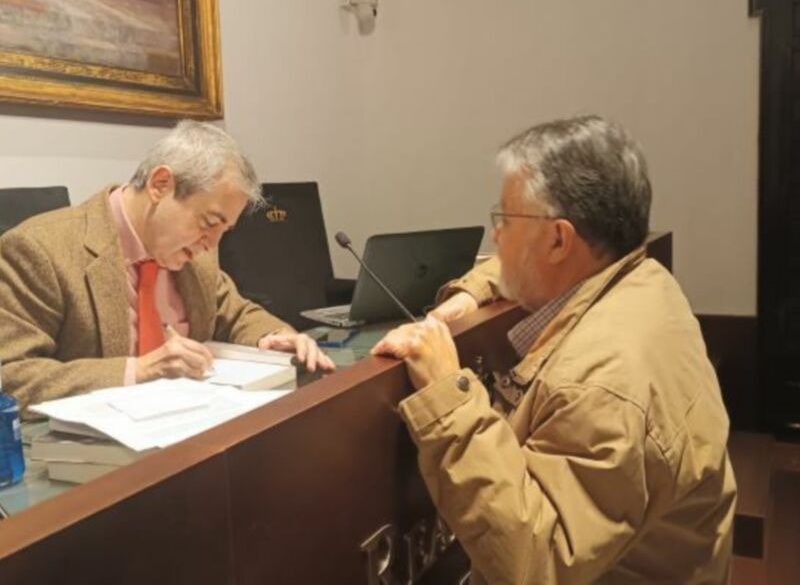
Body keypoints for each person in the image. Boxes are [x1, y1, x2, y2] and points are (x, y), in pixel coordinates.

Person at [373, 116, 736, 583]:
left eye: (504, 219)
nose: (496, 236)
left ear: (559, 238)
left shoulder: (597, 384)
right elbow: (506, 266)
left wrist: (448, 396)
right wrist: (471, 292)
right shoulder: (641, 279)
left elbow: (536, 563)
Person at [0, 120, 333, 411]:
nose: (212, 243)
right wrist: (139, 370)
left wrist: (273, 337)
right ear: (161, 185)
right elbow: (11, 375)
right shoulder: (41, 250)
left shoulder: (196, 254)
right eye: (208, 222)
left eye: (224, 230)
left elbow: (235, 311)